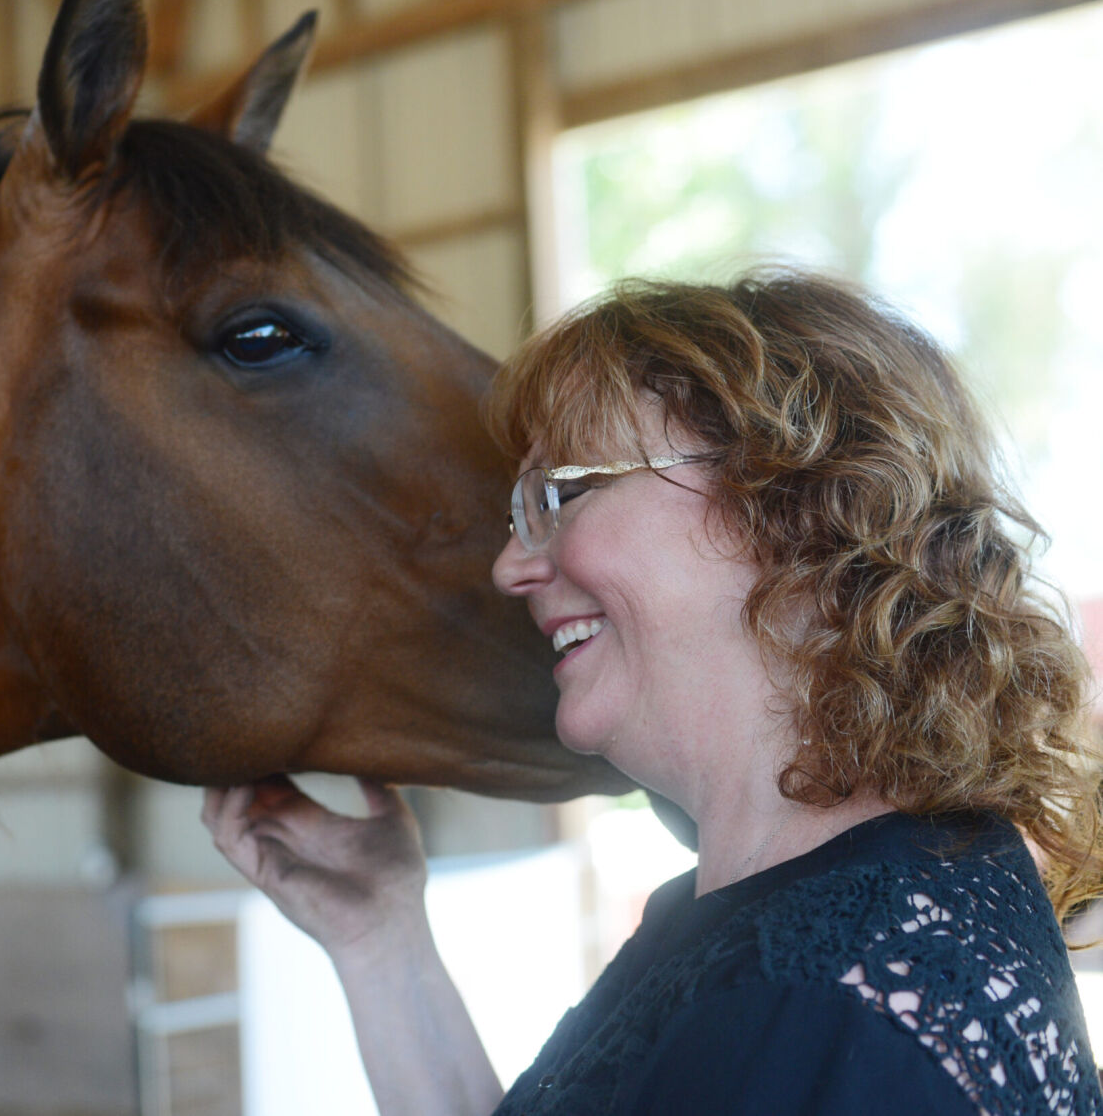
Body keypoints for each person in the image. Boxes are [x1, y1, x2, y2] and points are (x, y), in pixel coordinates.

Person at [203, 270, 1103, 1115]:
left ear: (788, 507)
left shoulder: (810, 1004)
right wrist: (379, 940)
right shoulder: (827, 907)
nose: (510, 565)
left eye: (557, 495)